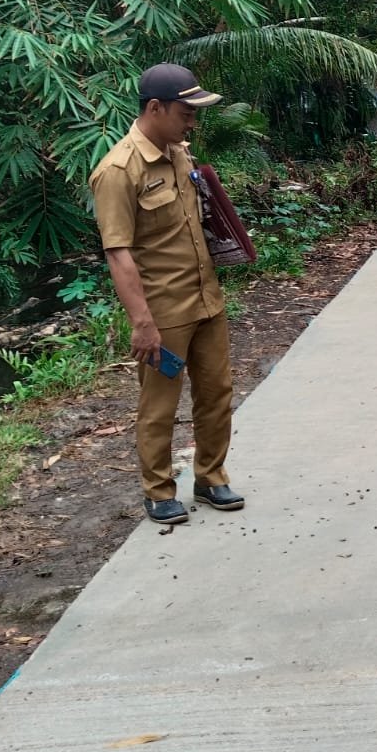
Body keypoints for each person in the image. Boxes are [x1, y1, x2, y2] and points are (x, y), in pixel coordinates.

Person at [89, 64, 244, 524]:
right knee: (159, 405)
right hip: (163, 312)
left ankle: (211, 477)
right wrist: (142, 322)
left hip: (206, 299)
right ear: (155, 108)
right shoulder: (118, 171)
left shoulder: (180, 154)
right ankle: (158, 490)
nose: (192, 122)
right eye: (185, 113)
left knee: (217, 393)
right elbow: (118, 254)